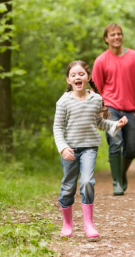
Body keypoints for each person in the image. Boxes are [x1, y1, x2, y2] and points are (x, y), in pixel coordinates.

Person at [53, 60, 128, 238]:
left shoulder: (96, 99)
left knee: (87, 181)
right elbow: (57, 127)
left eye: (81, 74)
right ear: (68, 80)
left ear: (87, 77)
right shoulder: (63, 102)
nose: (77, 77)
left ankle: (88, 224)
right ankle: (67, 224)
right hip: (70, 150)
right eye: (73, 75)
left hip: (89, 148)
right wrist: (63, 148)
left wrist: (115, 125)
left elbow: (99, 122)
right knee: (68, 187)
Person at [92, 23, 135, 196]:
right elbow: (95, 88)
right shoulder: (101, 60)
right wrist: (100, 110)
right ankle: (116, 182)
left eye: (119, 34)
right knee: (116, 143)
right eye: (112, 35)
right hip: (110, 108)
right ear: (106, 39)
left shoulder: (133, 56)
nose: (116, 37)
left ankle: (121, 174)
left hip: (130, 109)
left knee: (131, 148)